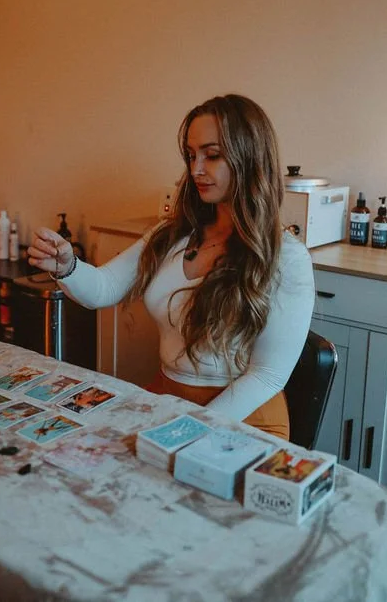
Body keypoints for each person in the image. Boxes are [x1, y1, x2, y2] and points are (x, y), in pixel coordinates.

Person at [27, 94, 314, 441]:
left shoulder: (287, 258)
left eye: (212, 155)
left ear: (249, 157)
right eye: (191, 156)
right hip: (170, 402)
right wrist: (68, 265)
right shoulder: (172, 236)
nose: (196, 170)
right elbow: (103, 288)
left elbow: (267, 376)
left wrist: (184, 431)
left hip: (244, 420)